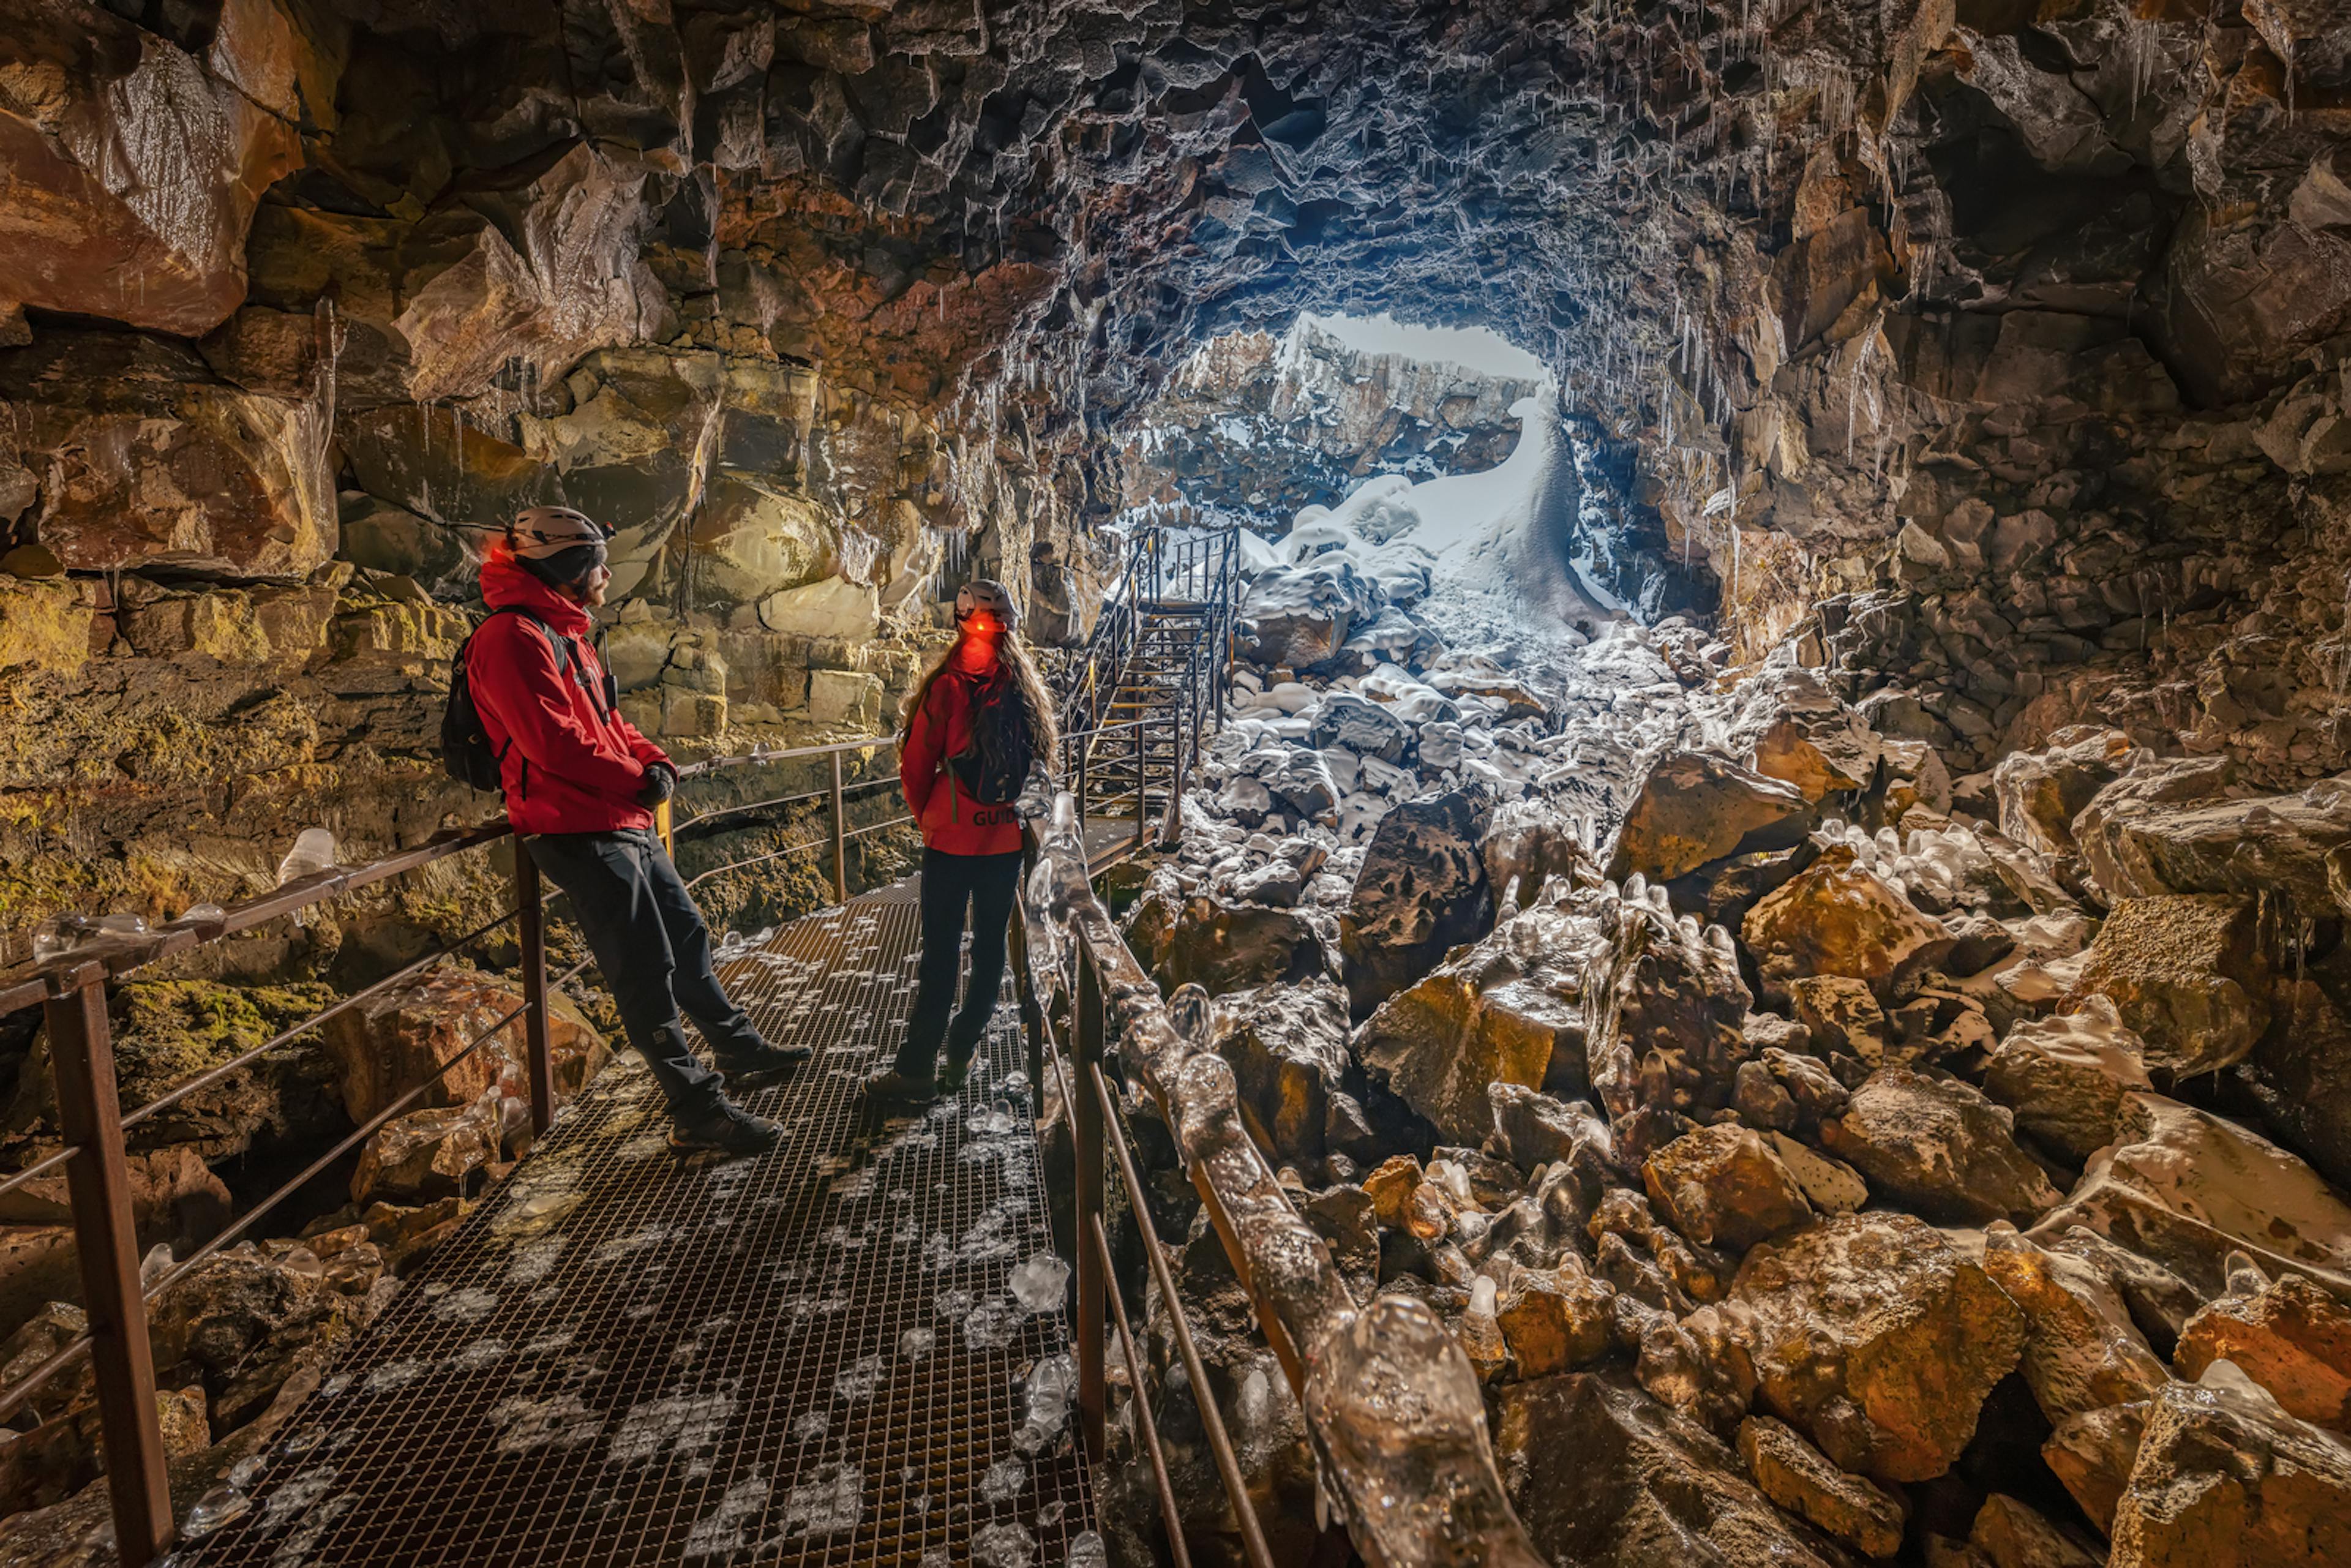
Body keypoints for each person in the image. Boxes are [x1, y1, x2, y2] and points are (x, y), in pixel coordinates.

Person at [465, 505, 804, 1155]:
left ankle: (739, 1049)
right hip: (573, 828)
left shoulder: (566, 634)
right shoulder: (513, 638)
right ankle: (695, 1110)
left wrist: (653, 761)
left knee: (685, 934)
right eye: (596, 563)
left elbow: (607, 725)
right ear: (568, 567)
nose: (605, 575)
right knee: (644, 966)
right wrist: (634, 780)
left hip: (619, 818)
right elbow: (551, 744)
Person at [869, 579, 1059, 1102]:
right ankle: (961, 1046)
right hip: (1003, 844)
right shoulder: (1023, 691)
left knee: (940, 957)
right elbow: (1042, 766)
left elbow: (915, 765)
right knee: (991, 951)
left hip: (951, 843)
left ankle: (915, 1073)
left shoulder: (947, 687)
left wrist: (931, 816)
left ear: (960, 619)